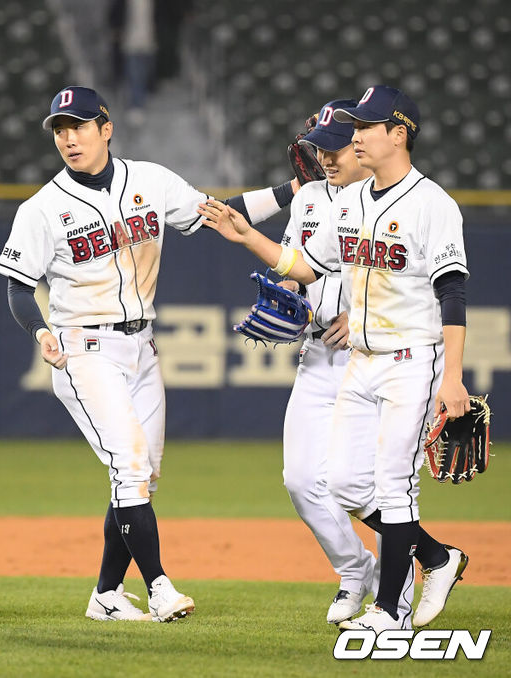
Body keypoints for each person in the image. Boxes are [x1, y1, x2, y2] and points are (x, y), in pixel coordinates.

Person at [0, 85, 295, 622]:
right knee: (130, 469)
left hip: (142, 348)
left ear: (105, 129)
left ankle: (106, 596)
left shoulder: (151, 181)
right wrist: (40, 331)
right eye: (60, 129)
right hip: (84, 350)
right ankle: (159, 587)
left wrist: (292, 189)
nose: (68, 138)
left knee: (140, 478)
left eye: (79, 126)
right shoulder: (42, 208)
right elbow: (19, 287)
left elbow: (222, 214)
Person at [200, 85, 470, 632]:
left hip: (412, 359)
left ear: (399, 134)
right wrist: (248, 236)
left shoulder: (432, 204)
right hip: (362, 364)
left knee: (394, 486)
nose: (356, 137)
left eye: (366, 127)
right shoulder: (347, 201)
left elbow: (454, 293)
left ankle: (389, 609)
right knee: (345, 485)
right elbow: (306, 266)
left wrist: (454, 380)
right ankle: (437, 560)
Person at [276, 100, 413, 626]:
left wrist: (357, 314)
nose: (327, 157)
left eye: (336, 147)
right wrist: (284, 294)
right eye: (321, 149)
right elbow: (298, 265)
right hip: (317, 357)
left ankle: (401, 591)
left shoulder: (382, 199)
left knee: (369, 485)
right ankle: (356, 569)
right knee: (301, 480)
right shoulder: (309, 198)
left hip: (370, 358)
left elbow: (400, 278)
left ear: (360, 147)